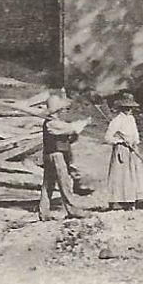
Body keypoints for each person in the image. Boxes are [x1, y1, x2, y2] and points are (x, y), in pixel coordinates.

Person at [38, 93, 93, 221]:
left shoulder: (56, 123)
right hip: (56, 155)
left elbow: (69, 136)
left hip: (53, 154)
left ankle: (44, 212)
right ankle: (72, 210)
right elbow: (71, 128)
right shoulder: (52, 124)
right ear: (57, 111)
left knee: (48, 184)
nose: (64, 111)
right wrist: (85, 122)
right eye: (61, 109)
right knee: (65, 182)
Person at [104, 92, 143, 211]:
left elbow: (135, 135)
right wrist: (120, 141)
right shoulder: (117, 120)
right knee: (122, 176)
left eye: (131, 108)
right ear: (121, 108)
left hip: (132, 150)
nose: (129, 110)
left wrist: (134, 142)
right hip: (121, 151)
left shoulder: (131, 119)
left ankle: (136, 199)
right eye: (126, 108)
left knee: (135, 174)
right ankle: (118, 201)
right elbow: (107, 138)